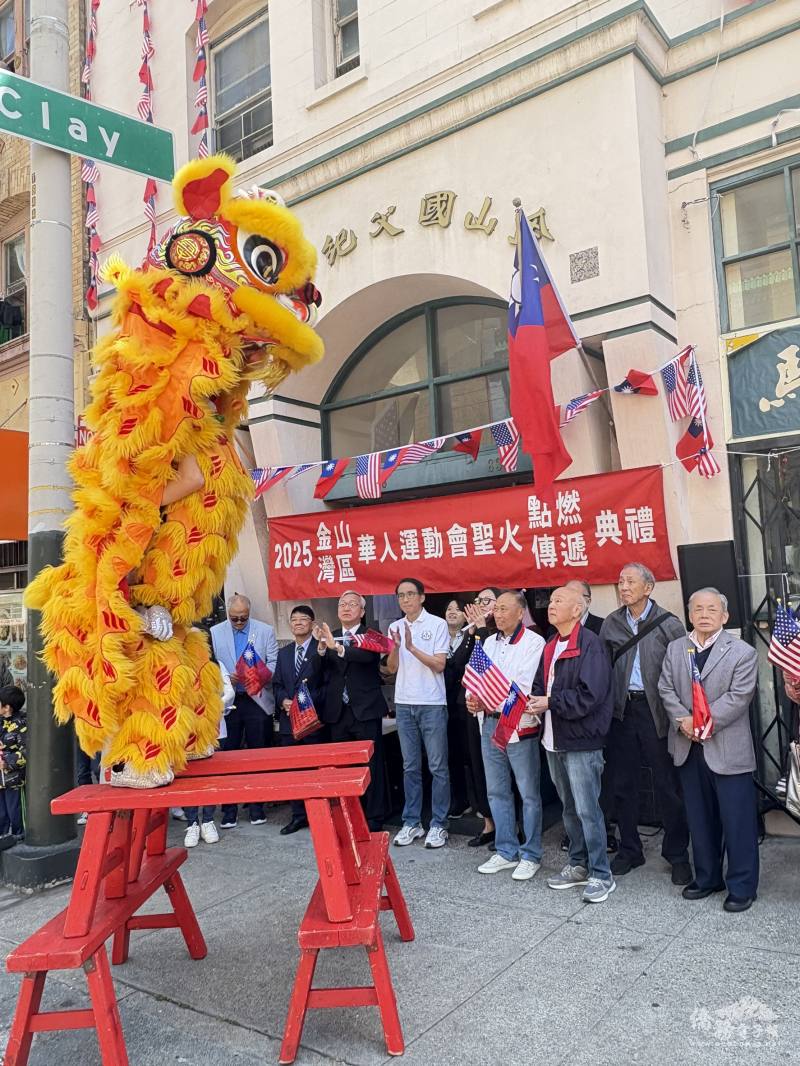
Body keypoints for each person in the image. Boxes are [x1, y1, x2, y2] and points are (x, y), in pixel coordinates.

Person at [658, 588, 760, 912]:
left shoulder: (742, 652)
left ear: (724, 616)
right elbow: (665, 688)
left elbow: (739, 697)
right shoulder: (676, 648)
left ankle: (742, 887)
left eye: (711, 609)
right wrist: (683, 721)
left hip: (727, 747)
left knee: (737, 821)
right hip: (688, 745)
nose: (704, 614)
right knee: (699, 819)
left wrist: (703, 722)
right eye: (698, 608)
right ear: (690, 614)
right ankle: (707, 878)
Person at [600, 563, 692, 886]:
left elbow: (685, 672)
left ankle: (678, 854)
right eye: (621, 581)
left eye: (630, 582)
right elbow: (603, 669)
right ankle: (629, 849)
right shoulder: (611, 624)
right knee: (623, 783)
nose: (623, 586)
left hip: (658, 712)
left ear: (648, 588)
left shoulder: (669, 624)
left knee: (668, 785)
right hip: (622, 712)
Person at [529, 586, 615, 903]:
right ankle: (577, 864)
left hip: (581, 741)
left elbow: (591, 696)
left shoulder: (590, 645)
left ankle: (602, 874)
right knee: (569, 809)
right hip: (554, 739)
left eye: (559, 601)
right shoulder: (551, 645)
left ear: (577, 610)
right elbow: (540, 685)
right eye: (550, 601)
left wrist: (550, 701)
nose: (551, 605)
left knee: (587, 809)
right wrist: (536, 702)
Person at [467, 590, 545, 881]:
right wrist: (472, 698)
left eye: (503, 609)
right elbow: (477, 677)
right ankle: (506, 850)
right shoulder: (488, 641)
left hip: (518, 722)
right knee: (496, 789)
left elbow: (522, 685)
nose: (497, 614)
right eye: (495, 609)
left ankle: (531, 853)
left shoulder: (533, 641)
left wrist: (490, 699)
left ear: (520, 612)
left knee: (528, 792)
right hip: (488, 721)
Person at [386, 578, 450, 850]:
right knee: (410, 766)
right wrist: (396, 648)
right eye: (401, 595)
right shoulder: (394, 626)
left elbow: (439, 664)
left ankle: (439, 824)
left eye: (411, 594)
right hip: (403, 702)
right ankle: (412, 822)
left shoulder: (437, 624)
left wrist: (412, 647)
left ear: (422, 597)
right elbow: (390, 669)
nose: (406, 600)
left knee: (437, 766)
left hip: (432, 703)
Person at [316, 592, 387, 831]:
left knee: (371, 764)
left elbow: (365, 658)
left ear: (363, 611)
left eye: (352, 604)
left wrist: (336, 646)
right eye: (342, 604)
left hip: (365, 709)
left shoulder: (372, 635)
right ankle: (348, 816)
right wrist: (322, 651)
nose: (346, 608)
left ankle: (374, 817)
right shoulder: (331, 635)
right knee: (343, 768)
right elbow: (321, 672)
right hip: (338, 711)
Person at [211, 593, 278, 829]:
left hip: (256, 697)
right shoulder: (216, 632)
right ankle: (229, 809)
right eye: (234, 619)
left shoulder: (265, 630)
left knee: (257, 754)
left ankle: (257, 806)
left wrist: (254, 675)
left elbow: (273, 665)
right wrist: (225, 678)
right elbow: (209, 665)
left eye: (243, 619)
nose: (239, 622)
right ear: (227, 615)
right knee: (227, 756)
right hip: (228, 700)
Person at [561, 579, 615, 855]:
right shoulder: (553, 637)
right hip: (559, 731)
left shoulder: (596, 631)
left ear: (583, 603)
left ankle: (599, 858)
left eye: (568, 597)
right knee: (571, 799)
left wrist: (552, 701)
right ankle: (577, 853)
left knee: (591, 796)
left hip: (587, 726)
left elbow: (595, 686)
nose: (555, 605)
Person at [448, 590, 497, 848]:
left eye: (487, 601)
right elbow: (456, 663)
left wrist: (481, 630)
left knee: (499, 768)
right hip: (469, 705)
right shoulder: (471, 631)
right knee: (475, 762)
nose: (481, 606)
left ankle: (510, 824)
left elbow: (490, 663)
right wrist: (470, 633)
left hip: (495, 707)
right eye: (478, 601)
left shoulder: (499, 629)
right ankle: (488, 821)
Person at [273, 605, 326, 835]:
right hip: (288, 723)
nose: (298, 623)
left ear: (312, 624)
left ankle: (320, 816)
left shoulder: (320, 649)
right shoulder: (284, 653)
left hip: (312, 721)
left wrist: (304, 704)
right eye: (294, 620)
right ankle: (298, 816)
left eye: (303, 619)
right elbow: (276, 685)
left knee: (315, 770)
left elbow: (326, 683)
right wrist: (284, 700)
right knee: (293, 771)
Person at [184, 649, 235, 848]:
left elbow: (228, 690)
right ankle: (192, 823)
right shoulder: (179, 665)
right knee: (188, 779)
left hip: (214, 729)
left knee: (211, 778)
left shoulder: (216, 665)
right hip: (187, 731)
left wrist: (213, 706)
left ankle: (207, 820)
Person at [444, 598, 471, 819]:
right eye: (449, 609)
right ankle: (458, 799)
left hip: (465, 703)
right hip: (442, 702)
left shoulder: (471, 636)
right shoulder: (437, 635)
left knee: (469, 753)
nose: (452, 612)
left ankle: (475, 800)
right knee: (450, 754)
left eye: (458, 609)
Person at [0, 685, 26, 840]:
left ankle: (19, 838)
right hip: (0, 780)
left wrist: (8, 762)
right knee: (1, 814)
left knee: (15, 812)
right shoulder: (1, 722)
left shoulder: (22, 723)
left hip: (14, 780)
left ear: (7, 707)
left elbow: (27, 751)